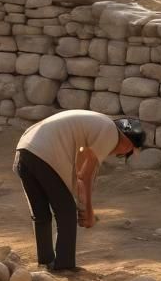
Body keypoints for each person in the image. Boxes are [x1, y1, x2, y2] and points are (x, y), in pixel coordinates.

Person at [13, 111, 145, 272]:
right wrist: (88, 211)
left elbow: (77, 175)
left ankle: (45, 263)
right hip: (43, 155)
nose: (120, 154)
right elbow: (85, 176)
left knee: (41, 214)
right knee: (66, 214)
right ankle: (64, 268)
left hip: (24, 152)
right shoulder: (110, 133)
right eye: (127, 152)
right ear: (128, 141)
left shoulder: (95, 126)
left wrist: (82, 206)